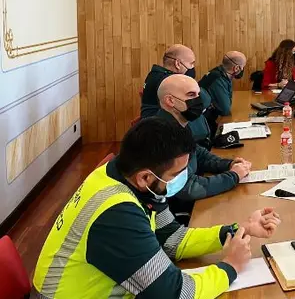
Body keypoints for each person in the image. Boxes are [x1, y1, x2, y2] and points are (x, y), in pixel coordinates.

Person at [33, 117, 281, 298]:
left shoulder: (130, 177)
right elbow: (175, 294)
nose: (183, 178)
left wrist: (239, 230)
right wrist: (230, 267)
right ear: (145, 177)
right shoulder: (117, 213)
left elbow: (173, 239)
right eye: (178, 173)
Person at [156, 75, 251, 204]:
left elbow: (197, 154)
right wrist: (233, 176)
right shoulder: (163, 135)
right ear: (170, 101)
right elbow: (187, 188)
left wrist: (228, 164)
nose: (198, 100)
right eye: (191, 95)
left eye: (198, 94)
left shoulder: (179, 123)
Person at [140, 44, 196, 118]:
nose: (192, 67)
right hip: (159, 125)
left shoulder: (154, 74)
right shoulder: (170, 81)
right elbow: (195, 104)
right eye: (191, 63)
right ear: (178, 64)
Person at [199, 51, 247, 128]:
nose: (242, 69)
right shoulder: (218, 79)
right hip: (206, 123)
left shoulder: (221, 73)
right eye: (242, 67)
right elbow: (225, 110)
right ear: (236, 68)